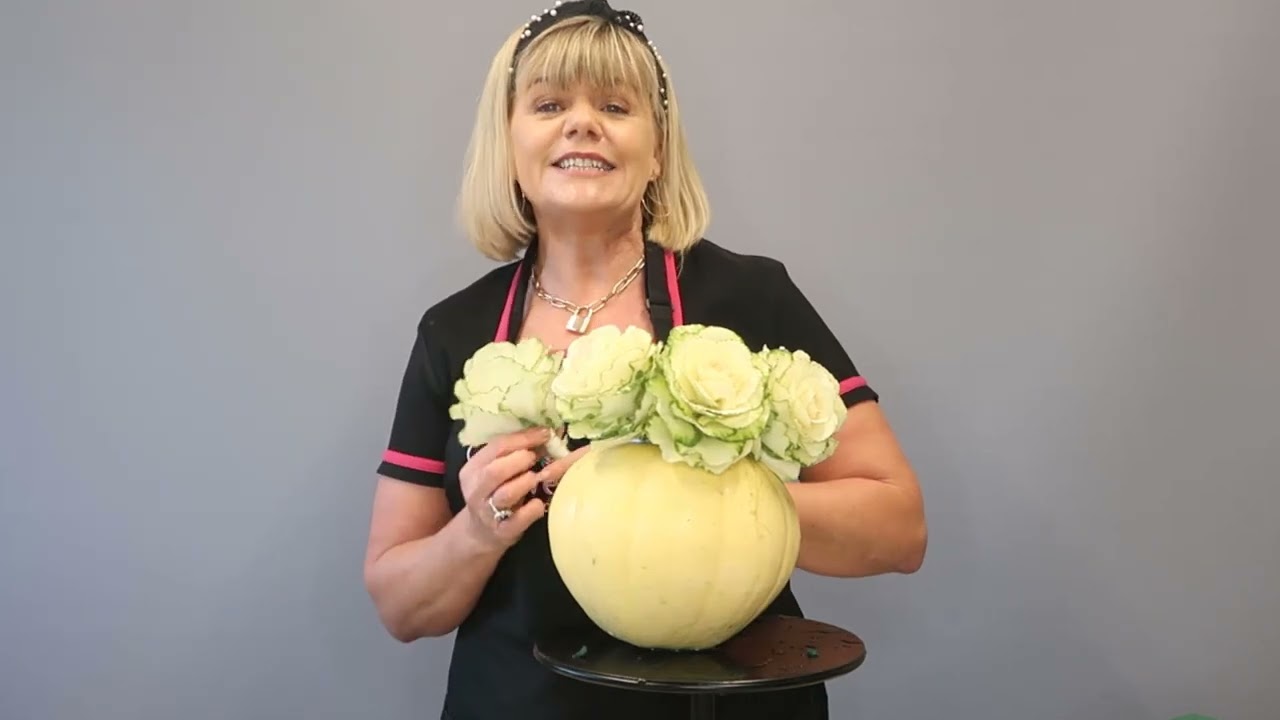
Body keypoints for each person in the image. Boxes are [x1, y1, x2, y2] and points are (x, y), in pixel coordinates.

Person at [362, 2, 927, 718]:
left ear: (657, 150)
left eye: (616, 105)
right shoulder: (454, 331)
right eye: (547, 103)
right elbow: (400, 605)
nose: (582, 122)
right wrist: (477, 530)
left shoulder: (749, 297)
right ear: (508, 144)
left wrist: (709, 497)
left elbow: (899, 528)